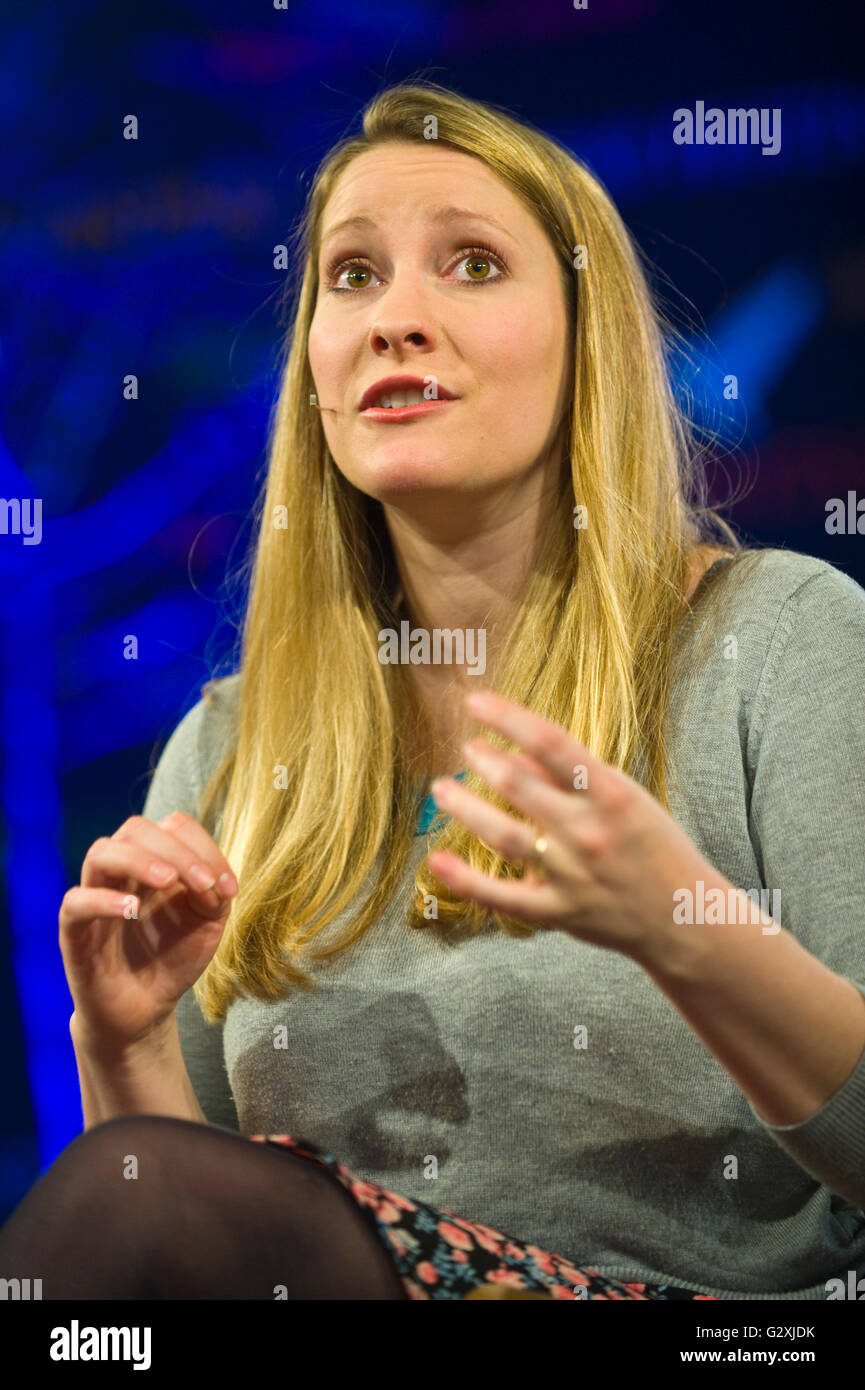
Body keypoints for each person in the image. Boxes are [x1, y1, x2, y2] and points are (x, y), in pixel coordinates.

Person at [2, 79, 864, 1302]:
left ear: (590, 339)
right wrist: (125, 1039)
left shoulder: (775, 641)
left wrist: (687, 930)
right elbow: (167, 1241)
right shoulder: (234, 746)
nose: (395, 318)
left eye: (470, 264)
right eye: (352, 277)